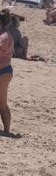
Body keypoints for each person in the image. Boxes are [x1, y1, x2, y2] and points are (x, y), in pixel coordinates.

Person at [0, 9, 16, 137]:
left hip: (3, 72)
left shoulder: (5, 36)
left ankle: (6, 131)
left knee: (2, 103)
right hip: (4, 70)